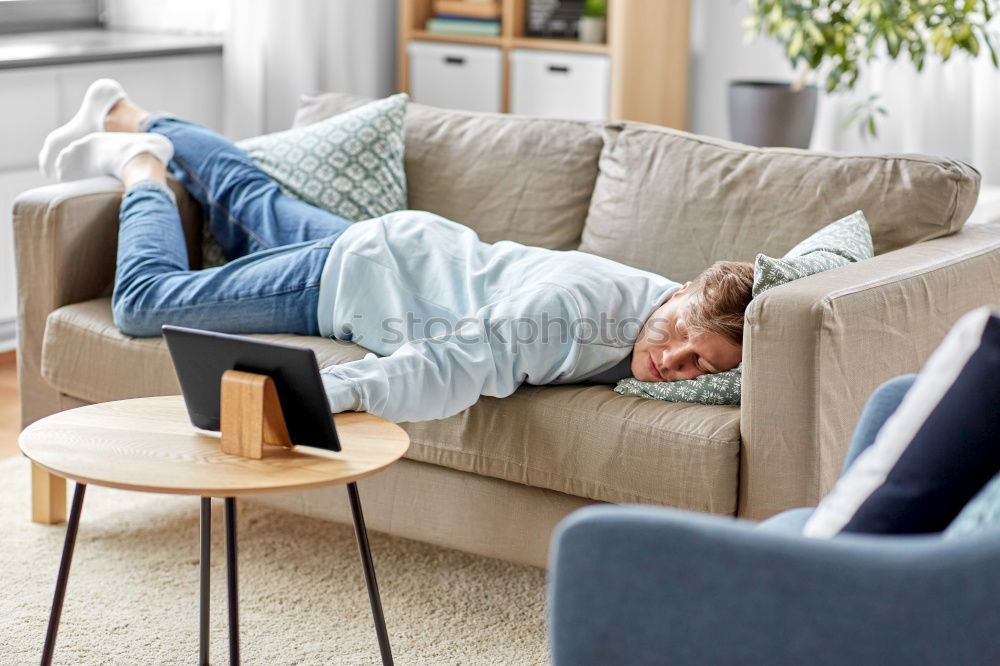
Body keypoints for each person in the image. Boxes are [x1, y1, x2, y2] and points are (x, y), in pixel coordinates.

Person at [39, 79, 754, 423]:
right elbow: (453, 362)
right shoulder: (576, 313)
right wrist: (324, 391)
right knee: (142, 304)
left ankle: (123, 110)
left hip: (405, 248)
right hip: (355, 281)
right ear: (674, 292)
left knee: (252, 204)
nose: (673, 366)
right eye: (677, 337)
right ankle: (143, 167)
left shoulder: (682, 307)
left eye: (699, 370)